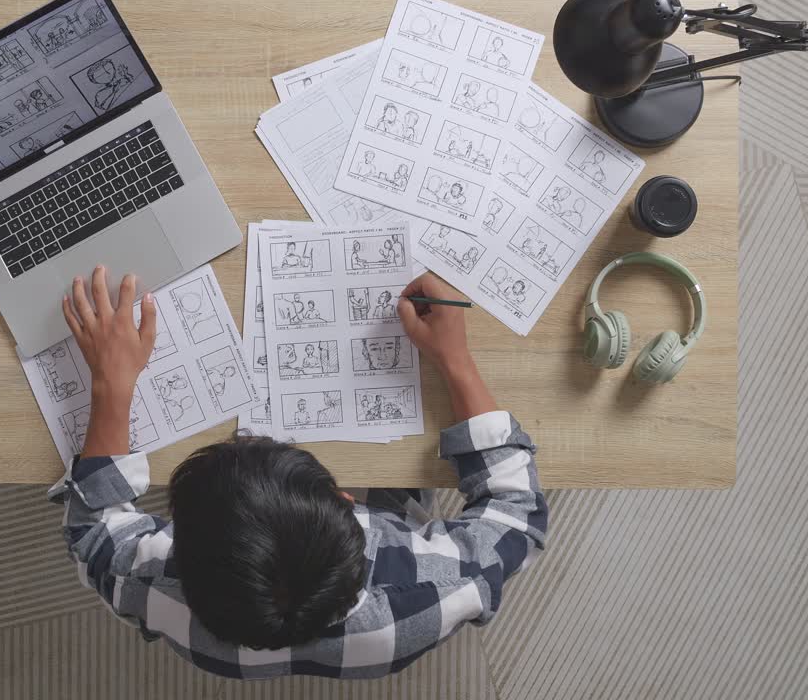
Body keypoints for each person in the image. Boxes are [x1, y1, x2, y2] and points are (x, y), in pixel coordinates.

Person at [50, 267, 546, 679]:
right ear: (348, 501)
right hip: (390, 523)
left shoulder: (160, 590)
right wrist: (455, 361)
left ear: (178, 548)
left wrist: (109, 388)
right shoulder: (429, 596)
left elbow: (94, 530)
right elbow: (518, 516)